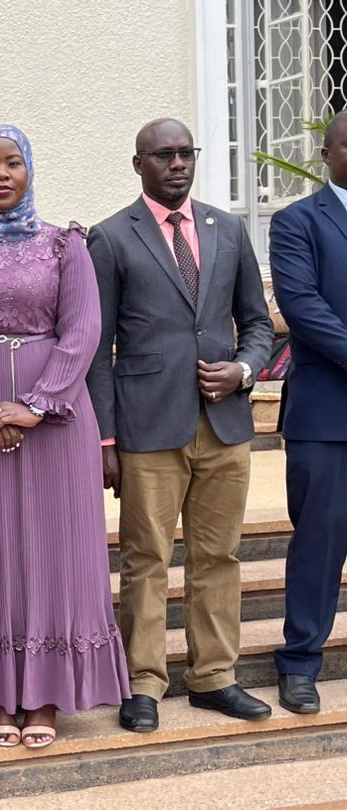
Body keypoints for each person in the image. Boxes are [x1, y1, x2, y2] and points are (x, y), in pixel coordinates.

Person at [0, 125, 129, 749]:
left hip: (56, 420)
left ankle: (44, 695)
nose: (2, 175)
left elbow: (84, 330)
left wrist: (37, 406)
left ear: (29, 170)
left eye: (13, 164)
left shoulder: (65, 246)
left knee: (55, 548)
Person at [87, 118, 274, 733]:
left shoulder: (228, 227)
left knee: (218, 554)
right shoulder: (111, 238)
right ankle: (142, 681)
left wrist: (244, 372)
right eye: (163, 155)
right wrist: (107, 439)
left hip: (224, 424)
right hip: (148, 427)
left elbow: (258, 324)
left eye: (186, 153)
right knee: (145, 556)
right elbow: (98, 348)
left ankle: (214, 676)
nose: (177, 164)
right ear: (137, 163)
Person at [269, 111, 347, 716]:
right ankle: (300, 662)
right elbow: (301, 306)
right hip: (327, 416)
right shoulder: (298, 222)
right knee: (319, 541)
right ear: (327, 153)